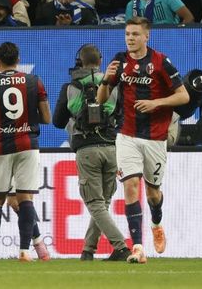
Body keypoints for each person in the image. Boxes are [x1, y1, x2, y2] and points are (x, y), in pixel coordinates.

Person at [97, 17, 190, 263]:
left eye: (135, 34)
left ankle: (156, 222)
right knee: (130, 185)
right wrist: (106, 79)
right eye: (127, 34)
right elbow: (101, 99)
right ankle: (137, 247)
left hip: (155, 137)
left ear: (146, 36)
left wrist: (156, 102)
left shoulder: (161, 62)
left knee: (153, 193)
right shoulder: (119, 60)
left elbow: (184, 96)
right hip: (126, 134)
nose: (130, 38)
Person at [52, 44, 132, 262]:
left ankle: (122, 247)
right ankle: (88, 251)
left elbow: (58, 121)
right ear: (100, 60)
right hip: (112, 146)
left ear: (80, 61)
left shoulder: (71, 86)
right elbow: (123, 115)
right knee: (102, 202)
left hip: (87, 148)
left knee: (96, 203)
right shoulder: (114, 85)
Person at [0, 41, 51, 262]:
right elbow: (47, 118)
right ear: (18, 60)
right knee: (25, 197)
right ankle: (25, 252)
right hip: (28, 145)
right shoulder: (34, 81)